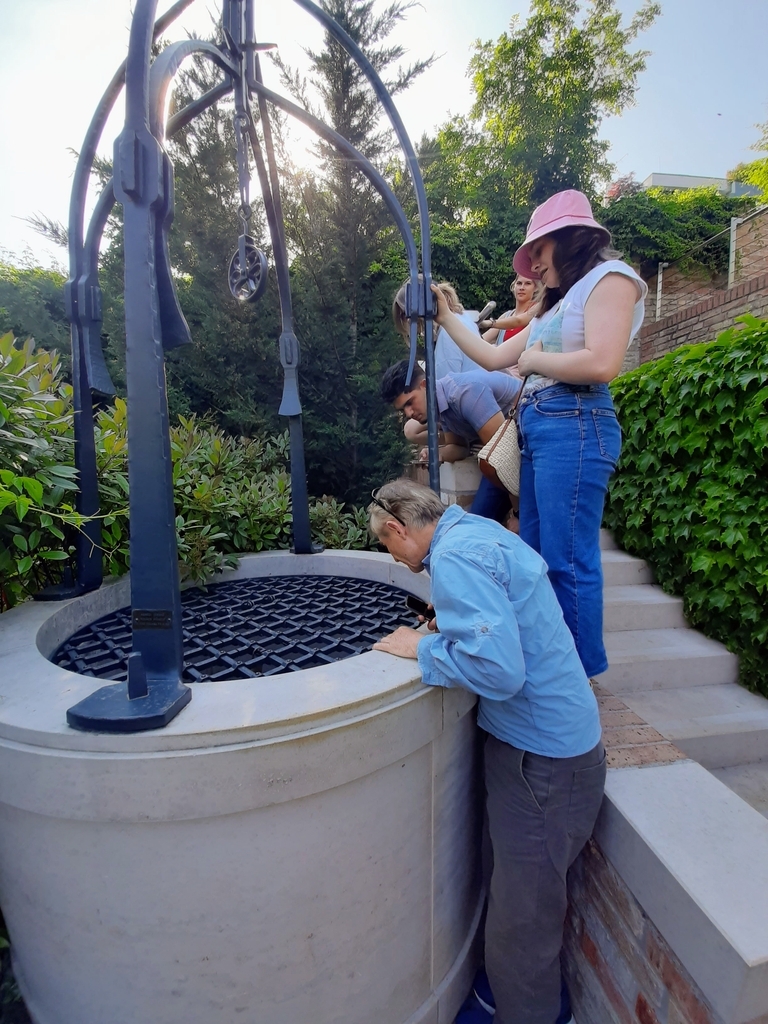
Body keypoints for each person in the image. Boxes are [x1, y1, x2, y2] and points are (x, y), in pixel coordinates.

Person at [369, 479, 605, 1024]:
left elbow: (499, 671)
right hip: (541, 752)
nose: (394, 558)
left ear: (399, 528)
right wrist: (449, 626)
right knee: (512, 898)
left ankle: (534, 1015)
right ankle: (505, 994)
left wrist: (422, 645)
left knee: (523, 917)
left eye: (387, 545)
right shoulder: (474, 529)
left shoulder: (455, 558)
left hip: (545, 764)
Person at [428, 189, 648, 680]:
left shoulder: (612, 279)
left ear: (568, 239)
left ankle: (577, 679)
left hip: (576, 424)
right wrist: (446, 318)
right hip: (540, 428)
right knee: (534, 554)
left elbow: (603, 363)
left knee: (568, 560)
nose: (533, 266)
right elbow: (491, 357)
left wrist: (534, 361)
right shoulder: (557, 305)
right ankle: (551, 665)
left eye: (539, 252)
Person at [381, 360, 521, 524]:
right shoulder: (442, 404)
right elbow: (459, 446)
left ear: (424, 385)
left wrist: (517, 515)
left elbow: (504, 460)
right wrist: (437, 454)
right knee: (477, 522)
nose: (408, 413)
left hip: (526, 441)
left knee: (480, 522)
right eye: (403, 409)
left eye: (410, 403)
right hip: (506, 452)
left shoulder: (464, 393)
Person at [392, 279, 484, 379]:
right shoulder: (462, 318)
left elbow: (446, 385)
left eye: (405, 314)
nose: (407, 320)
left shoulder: (447, 336)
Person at [481, 274, 542, 347]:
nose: (522, 288)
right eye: (519, 283)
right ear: (514, 286)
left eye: (528, 283)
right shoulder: (506, 316)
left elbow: (518, 321)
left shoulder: (537, 308)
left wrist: (489, 323)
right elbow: (482, 340)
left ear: (536, 288)